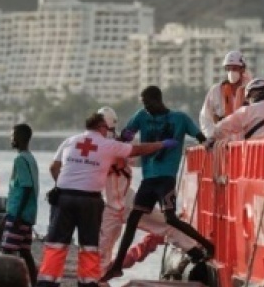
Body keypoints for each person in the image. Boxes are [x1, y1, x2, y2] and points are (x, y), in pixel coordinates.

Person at [37, 112, 177, 287]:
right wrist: (161, 144)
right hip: (89, 200)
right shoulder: (106, 145)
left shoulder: (70, 141)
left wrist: (59, 184)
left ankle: (46, 282)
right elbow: (138, 150)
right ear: (101, 127)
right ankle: (88, 283)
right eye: (108, 129)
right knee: (89, 245)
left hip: (64, 197)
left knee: (56, 244)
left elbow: (54, 166)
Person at [100, 86, 212, 282]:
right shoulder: (138, 119)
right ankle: (113, 268)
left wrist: (210, 144)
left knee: (168, 220)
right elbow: (126, 143)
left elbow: (201, 138)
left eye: (147, 103)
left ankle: (202, 247)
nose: (145, 108)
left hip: (152, 186)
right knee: (133, 224)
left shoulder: (179, 119)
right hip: (138, 188)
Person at [0, 123, 39, 287]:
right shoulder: (30, 157)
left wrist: (16, 215)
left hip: (19, 214)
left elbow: (26, 186)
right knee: (25, 251)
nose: (11, 138)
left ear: (20, 138)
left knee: (7, 250)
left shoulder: (20, 159)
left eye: (13, 135)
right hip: (29, 214)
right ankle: (36, 283)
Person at [199, 50, 252, 139]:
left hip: (245, 142)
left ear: (242, 69)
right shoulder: (216, 91)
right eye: (228, 69)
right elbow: (205, 117)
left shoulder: (251, 89)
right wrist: (211, 136)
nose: (231, 72)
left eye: (234, 68)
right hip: (223, 143)